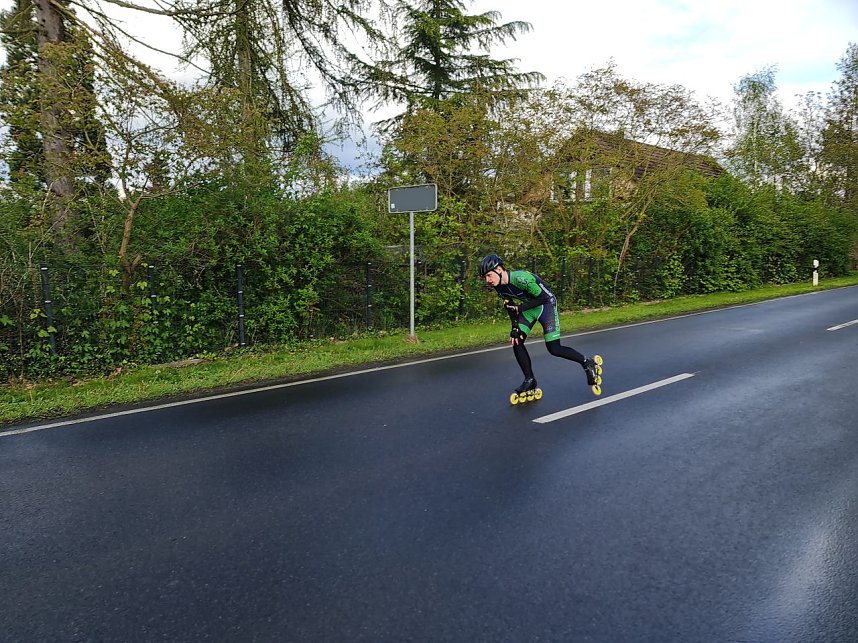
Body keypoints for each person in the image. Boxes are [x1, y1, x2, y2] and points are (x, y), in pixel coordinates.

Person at [479, 253, 601, 396]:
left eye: (488, 275)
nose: (487, 280)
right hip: (529, 308)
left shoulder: (521, 278)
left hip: (546, 306)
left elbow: (543, 298)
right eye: (484, 278)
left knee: (554, 349)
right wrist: (514, 327)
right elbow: (511, 307)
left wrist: (521, 308)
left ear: (499, 269)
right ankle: (529, 379)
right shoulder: (499, 286)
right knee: (516, 340)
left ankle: (587, 362)